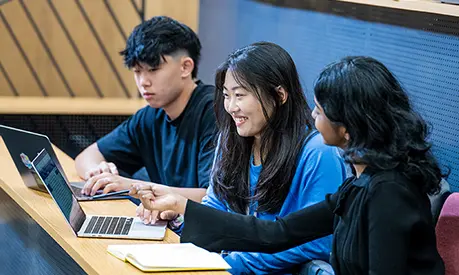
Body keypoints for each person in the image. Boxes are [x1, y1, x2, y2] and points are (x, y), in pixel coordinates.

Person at [131, 56, 446, 275]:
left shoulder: (388, 193)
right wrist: (186, 209)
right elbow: (275, 233)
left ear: (349, 126)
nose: (312, 116)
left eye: (320, 111)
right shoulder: (360, 185)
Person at [135, 42, 346, 274]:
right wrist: (178, 217)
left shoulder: (317, 151)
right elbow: (216, 206)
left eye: (240, 95)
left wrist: (228, 265)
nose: (231, 107)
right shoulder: (231, 139)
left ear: (279, 95)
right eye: (227, 96)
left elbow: (315, 243)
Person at [75, 16, 216, 204]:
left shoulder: (215, 112)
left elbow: (212, 199)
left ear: (185, 67)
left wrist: (131, 186)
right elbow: (85, 157)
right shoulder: (150, 116)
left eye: (153, 70)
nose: (143, 82)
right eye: (137, 71)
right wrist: (99, 172)